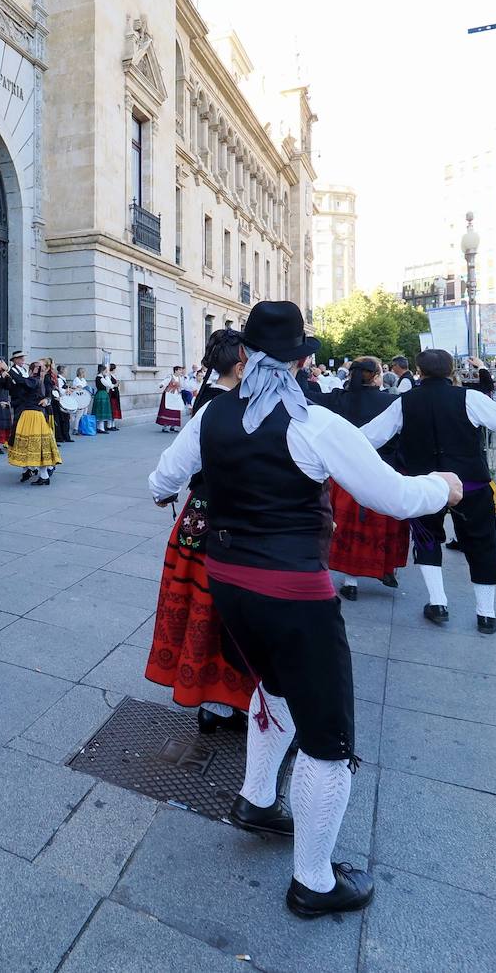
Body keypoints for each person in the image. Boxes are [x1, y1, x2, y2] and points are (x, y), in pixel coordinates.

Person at [149, 301, 459, 919]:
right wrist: (444, 486)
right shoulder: (313, 424)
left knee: (272, 686)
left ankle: (257, 799)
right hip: (293, 594)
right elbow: (394, 497)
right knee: (328, 738)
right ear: (302, 359)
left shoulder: (209, 415)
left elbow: (159, 482)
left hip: (229, 582)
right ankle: (314, 882)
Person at [360, 348, 496, 633]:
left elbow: (370, 437)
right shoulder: (469, 398)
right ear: (451, 372)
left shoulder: (405, 402)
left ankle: (438, 603)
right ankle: (485, 614)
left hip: (425, 484)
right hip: (469, 483)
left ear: (419, 372)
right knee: (482, 542)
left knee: (426, 538)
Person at [144, 330, 254, 735]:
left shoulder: (209, 400)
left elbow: (175, 469)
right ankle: (240, 699)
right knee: (238, 607)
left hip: (205, 510)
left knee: (203, 602)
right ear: (242, 365)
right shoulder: (240, 402)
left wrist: (161, 491)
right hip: (245, 516)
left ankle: (213, 700)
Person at [318, 358, 407, 599]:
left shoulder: (339, 398)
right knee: (383, 527)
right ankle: (386, 570)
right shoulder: (391, 401)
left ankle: (350, 582)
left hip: (345, 471)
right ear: (377, 376)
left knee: (348, 529)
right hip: (382, 471)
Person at [7, 358, 61, 485]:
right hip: (29, 414)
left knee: (36, 446)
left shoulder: (39, 380)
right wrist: (10, 403)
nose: (41, 370)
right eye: (39, 368)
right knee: (29, 446)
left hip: (35, 416)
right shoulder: (35, 380)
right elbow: (22, 397)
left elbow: (51, 395)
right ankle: (31, 471)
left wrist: (8, 369)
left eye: (41, 368)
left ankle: (43, 473)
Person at [156, 366, 185, 432]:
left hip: (176, 396)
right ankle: (165, 427)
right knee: (167, 410)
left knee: (176, 410)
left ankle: (173, 426)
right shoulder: (170, 376)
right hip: (169, 395)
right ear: (176, 370)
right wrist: (162, 385)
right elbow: (165, 381)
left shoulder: (180, 378)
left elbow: (182, 386)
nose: (181, 371)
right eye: (180, 370)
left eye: (181, 370)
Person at [92, 364, 114, 433]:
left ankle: (99, 427)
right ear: (102, 371)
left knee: (100, 410)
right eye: (105, 371)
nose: (106, 372)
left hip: (100, 394)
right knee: (102, 411)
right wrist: (107, 377)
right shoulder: (101, 378)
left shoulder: (99, 377)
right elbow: (109, 385)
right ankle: (101, 428)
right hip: (102, 394)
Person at [108, 363, 123, 429]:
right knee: (112, 409)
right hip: (112, 394)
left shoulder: (113, 375)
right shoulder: (109, 376)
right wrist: (116, 384)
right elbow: (110, 385)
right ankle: (109, 425)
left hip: (115, 393)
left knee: (115, 409)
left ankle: (113, 425)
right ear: (113, 369)